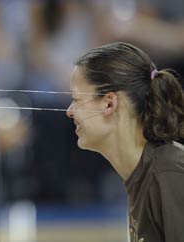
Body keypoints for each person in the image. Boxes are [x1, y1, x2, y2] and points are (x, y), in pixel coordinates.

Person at [66, 42, 184, 241]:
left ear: (109, 103)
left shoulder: (170, 174)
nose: (69, 111)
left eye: (76, 99)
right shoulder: (144, 172)